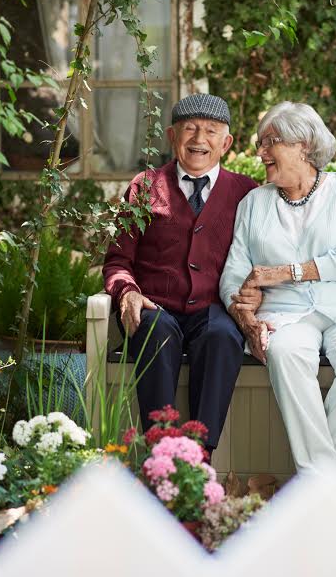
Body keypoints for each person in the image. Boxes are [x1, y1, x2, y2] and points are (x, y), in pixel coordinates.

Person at [220, 101, 336, 474]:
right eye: (260, 144)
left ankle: (317, 480)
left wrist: (285, 273)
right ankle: (327, 480)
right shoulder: (254, 203)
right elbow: (234, 271)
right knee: (284, 352)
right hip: (287, 314)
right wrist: (243, 307)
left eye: (271, 142)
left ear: (304, 145)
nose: (261, 152)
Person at [103, 93, 257, 459]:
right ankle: (162, 453)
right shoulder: (144, 185)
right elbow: (117, 260)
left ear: (226, 143)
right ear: (172, 136)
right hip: (156, 306)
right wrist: (127, 292)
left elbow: (265, 255)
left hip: (214, 307)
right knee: (155, 331)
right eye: (190, 128)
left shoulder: (247, 192)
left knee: (223, 335)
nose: (199, 139)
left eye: (211, 130)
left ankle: (200, 455)